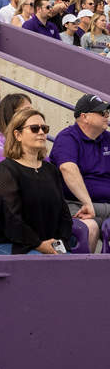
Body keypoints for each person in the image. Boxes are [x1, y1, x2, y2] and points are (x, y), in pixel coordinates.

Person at [0, 105, 70, 255]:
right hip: (9, 244)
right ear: (17, 135)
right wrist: (38, 244)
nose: (42, 132)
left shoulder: (51, 170)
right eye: (35, 129)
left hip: (48, 246)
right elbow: (11, 218)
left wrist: (60, 243)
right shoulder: (5, 171)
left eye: (45, 128)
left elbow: (64, 215)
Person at [52, 93, 110, 251]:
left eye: (107, 112)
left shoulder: (107, 138)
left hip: (106, 206)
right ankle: (84, 275)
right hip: (76, 205)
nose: (107, 116)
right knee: (88, 228)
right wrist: (87, 203)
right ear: (84, 117)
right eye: (102, 113)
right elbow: (68, 169)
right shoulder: (67, 137)